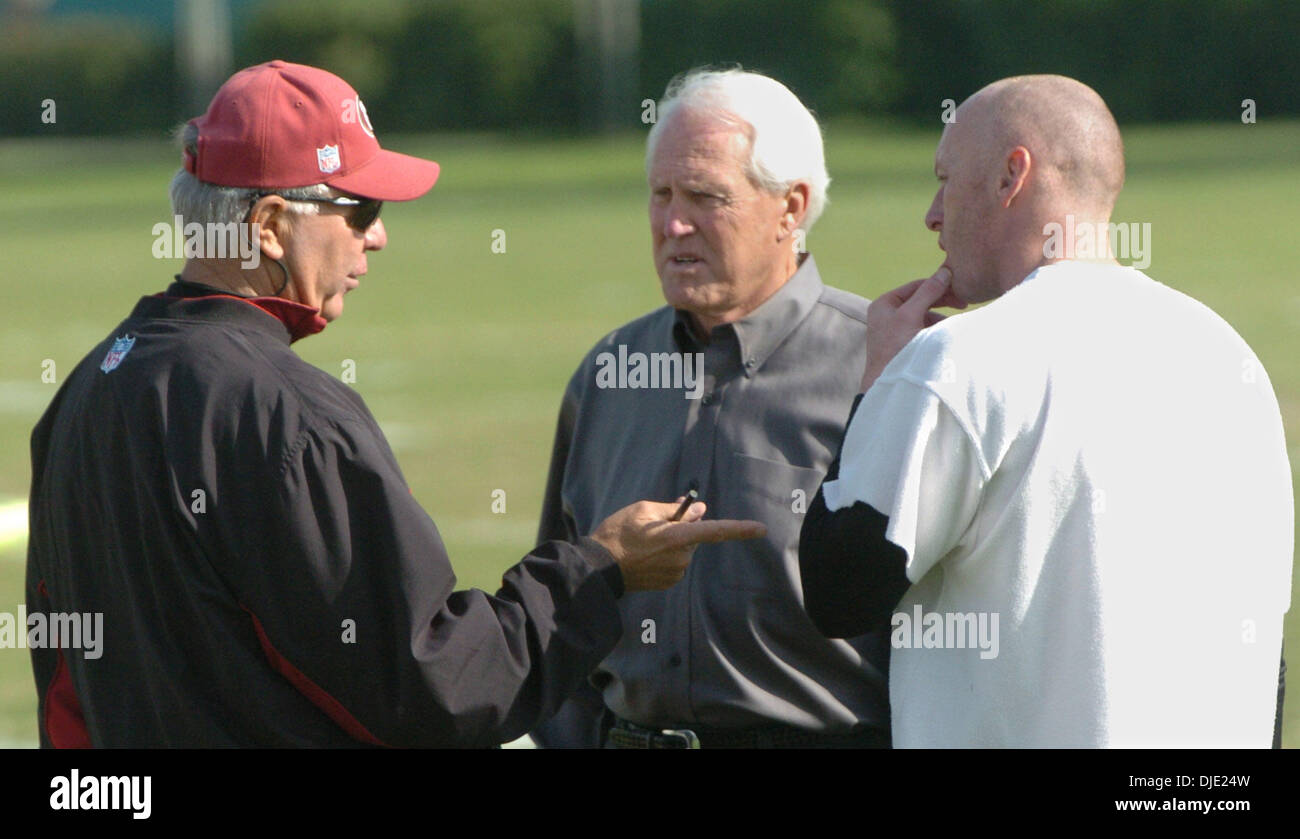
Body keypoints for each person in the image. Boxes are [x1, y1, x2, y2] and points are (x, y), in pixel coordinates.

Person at [25, 60, 763, 748]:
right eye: (359, 207)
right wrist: (601, 570)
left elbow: (64, 690)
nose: (376, 237)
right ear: (270, 223)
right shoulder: (289, 416)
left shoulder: (86, 390)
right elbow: (431, 687)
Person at [799, 74, 1293, 747]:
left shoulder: (957, 359)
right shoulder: (1230, 360)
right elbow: (1265, 648)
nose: (932, 213)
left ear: (1011, 176)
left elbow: (839, 588)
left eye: (946, 179)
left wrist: (877, 383)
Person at [532, 68, 892, 749]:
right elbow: (562, 608)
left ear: (791, 207)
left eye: (705, 196)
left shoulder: (880, 369)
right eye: (661, 194)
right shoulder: (608, 376)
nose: (672, 223)